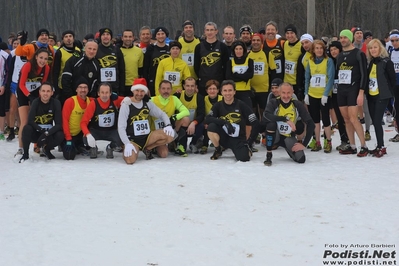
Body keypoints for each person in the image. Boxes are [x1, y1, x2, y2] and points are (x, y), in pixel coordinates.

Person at [118, 78, 175, 163]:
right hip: (132, 139)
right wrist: (127, 143)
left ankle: (148, 148)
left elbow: (162, 114)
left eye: (142, 91)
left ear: (145, 92)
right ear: (133, 91)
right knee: (130, 160)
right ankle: (128, 148)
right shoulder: (127, 104)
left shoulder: (147, 103)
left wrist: (168, 125)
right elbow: (121, 127)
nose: (139, 93)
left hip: (147, 137)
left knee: (170, 136)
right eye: (137, 90)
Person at [204, 80, 259, 161]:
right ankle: (218, 149)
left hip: (238, 138)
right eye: (225, 91)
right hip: (224, 137)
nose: (227, 93)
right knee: (211, 127)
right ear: (221, 92)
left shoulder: (241, 105)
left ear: (234, 92)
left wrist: (250, 141)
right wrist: (225, 123)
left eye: (230, 90)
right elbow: (207, 119)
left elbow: (255, 122)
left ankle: (246, 149)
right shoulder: (218, 105)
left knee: (244, 158)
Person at [263, 82, 315, 165]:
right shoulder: (273, 102)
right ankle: (269, 154)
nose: (286, 96)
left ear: (292, 92)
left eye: (288, 93)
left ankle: (288, 149)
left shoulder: (297, 104)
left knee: (301, 159)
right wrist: (285, 119)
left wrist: (304, 144)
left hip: (288, 137)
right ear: (279, 93)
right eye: (283, 93)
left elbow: (311, 123)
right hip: (275, 135)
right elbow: (266, 115)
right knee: (271, 124)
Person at [336, 29, 369, 156]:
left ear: (350, 38)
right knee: (346, 119)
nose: (343, 40)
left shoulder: (358, 54)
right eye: (341, 37)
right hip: (342, 89)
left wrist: (361, 92)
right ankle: (352, 145)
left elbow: (364, 74)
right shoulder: (339, 56)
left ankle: (364, 145)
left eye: (345, 37)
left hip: (353, 89)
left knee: (354, 118)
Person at [16, 48, 51, 156]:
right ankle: (21, 148)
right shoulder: (28, 66)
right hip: (23, 92)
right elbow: (21, 84)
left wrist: (41, 96)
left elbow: (43, 83)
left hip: (36, 92)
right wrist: (29, 95)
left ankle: (37, 144)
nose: (43, 61)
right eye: (41, 58)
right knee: (25, 121)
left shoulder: (46, 68)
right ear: (36, 57)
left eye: (45, 59)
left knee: (38, 119)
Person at [18, 82, 64, 162]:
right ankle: (25, 154)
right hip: (37, 131)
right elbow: (30, 121)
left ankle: (47, 149)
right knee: (26, 128)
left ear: (52, 93)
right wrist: (41, 130)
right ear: (39, 92)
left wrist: (47, 133)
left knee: (60, 134)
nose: (45, 93)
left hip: (48, 133)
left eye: (48, 91)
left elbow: (58, 124)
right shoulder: (35, 102)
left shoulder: (56, 103)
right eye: (43, 91)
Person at [366, 39, 396, 157]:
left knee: (378, 121)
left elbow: (392, 80)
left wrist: (390, 94)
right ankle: (379, 145)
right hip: (371, 95)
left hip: (382, 95)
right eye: (371, 48)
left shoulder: (387, 62)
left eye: (375, 47)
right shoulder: (371, 63)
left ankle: (381, 146)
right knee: (375, 121)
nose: (373, 50)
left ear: (380, 48)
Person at [304, 40, 335, 152]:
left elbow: (330, 78)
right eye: (317, 48)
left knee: (326, 119)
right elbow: (307, 78)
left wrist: (326, 94)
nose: (319, 50)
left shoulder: (328, 61)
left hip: (324, 95)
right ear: (313, 50)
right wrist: (306, 94)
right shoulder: (310, 61)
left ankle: (328, 141)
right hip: (312, 94)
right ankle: (317, 141)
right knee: (315, 120)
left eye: (321, 48)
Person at [80, 82, 123, 159]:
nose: (104, 95)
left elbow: (132, 99)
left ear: (110, 93)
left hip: (111, 131)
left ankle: (110, 147)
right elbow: (83, 122)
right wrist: (88, 134)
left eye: (107, 92)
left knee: (122, 137)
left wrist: (127, 100)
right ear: (98, 93)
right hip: (96, 130)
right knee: (85, 138)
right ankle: (93, 147)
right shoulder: (93, 104)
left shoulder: (115, 101)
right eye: (102, 92)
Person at [150, 80, 190, 156]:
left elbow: (186, 111)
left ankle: (178, 144)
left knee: (185, 119)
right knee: (164, 154)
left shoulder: (174, 99)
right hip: (156, 131)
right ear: (159, 90)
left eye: (168, 89)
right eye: (163, 89)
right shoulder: (152, 100)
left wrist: (174, 117)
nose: (166, 91)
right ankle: (154, 145)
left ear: (171, 90)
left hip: (170, 129)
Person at [62, 77, 93, 160]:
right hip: (67, 134)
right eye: (80, 87)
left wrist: (114, 97)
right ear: (76, 89)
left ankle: (80, 145)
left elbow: (103, 99)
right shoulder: (70, 101)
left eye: (85, 87)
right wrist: (68, 138)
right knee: (69, 156)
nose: (83, 89)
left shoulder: (90, 101)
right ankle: (63, 144)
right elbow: (64, 120)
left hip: (79, 134)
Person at [194, 22, 229, 95]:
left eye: (211, 30)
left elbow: (226, 66)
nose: (209, 32)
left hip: (218, 83)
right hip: (203, 83)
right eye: (207, 30)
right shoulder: (199, 47)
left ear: (216, 31)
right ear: (204, 31)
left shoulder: (223, 47)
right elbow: (196, 66)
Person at [248, 33, 276, 120]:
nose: (256, 42)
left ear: (261, 42)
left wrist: (273, 86)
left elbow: (273, 70)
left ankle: (264, 130)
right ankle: (255, 130)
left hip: (263, 89)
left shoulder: (267, 54)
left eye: (258, 40)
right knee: (252, 111)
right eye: (254, 40)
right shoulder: (247, 55)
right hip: (251, 88)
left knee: (263, 111)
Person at [328, 41, 349, 150]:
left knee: (346, 118)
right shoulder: (330, 61)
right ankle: (344, 140)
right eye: (331, 50)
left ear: (340, 49)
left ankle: (349, 139)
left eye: (335, 49)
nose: (333, 52)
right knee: (339, 118)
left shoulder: (343, 60)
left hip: (345, 92)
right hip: (335, 93)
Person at [176, 77, 205, 153]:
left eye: (192, 86)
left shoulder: (199, 97)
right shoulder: (177, 96)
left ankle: (194, 143)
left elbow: (201, 114)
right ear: (184, 86)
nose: (190, 88)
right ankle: (176, 142)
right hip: (181, 124)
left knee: (201, 125)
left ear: (196, 87)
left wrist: (193, 123)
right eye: (188, 86)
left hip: (193, 125)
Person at [52, 30, 81, 104]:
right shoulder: (60, 52)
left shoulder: (78, 51)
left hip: (76, 84)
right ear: (63, 39)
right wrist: (56, 87)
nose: (68, 38)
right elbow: (56, 71)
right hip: (63, 85)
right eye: (66, 37)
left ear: (73, 39)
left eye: (70, 36)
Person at [96, 28, 125, 95]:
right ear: (100, 37)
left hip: (114, 86)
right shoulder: (96, 49)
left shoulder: (117, 50)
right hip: (100, 86)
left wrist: (122, 88)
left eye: (108, 34)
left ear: (111, 37)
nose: (105, 36)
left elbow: (122, 70)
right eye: (103, 35)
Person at [143, 27, 170, 95]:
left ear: (166, 35)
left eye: (162, 34)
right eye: (158, 34)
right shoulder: (151, 48)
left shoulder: (169, 48)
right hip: (153, 80)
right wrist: (146, 85)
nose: (160, 36)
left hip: (167, 80)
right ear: (155, 36)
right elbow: (146, 67)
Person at [200, 79, 223, 154]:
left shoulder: (222, 99)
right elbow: (202, 113)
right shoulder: (204, 99)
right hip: (207, 121)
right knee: (206, 125)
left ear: (218, 90)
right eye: (210, 89)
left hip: (219, 121)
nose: (212, 91)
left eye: (214, 89)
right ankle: (205, 144)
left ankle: (220, 144)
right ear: (206, 90)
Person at [120, 29, 144, 97]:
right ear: (122, 38)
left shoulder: (139, 51)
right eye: (125, 36)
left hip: (134, 85)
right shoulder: (117, 51)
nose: (128, 39)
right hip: (121, 85)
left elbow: (140, 70)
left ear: (133, 38)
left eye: (130, 37)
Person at [283, 24, 304, 100]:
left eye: (292, 33)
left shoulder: (301, 45)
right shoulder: (285, 44)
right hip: (286, 81)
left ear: (295, 34)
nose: (289, 35)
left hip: (296, 81)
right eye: (287, 33)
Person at [388, 30, 399, 142]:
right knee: (396, 108)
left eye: (397, 40)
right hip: (395, 84)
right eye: (392, 41)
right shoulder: (390, 51)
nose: (395, 43)